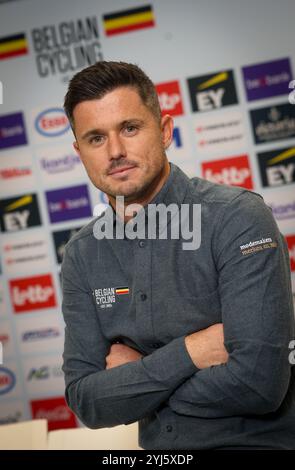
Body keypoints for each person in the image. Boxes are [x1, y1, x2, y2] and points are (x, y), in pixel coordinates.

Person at [61, 61, 295, 450]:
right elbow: (88, 402)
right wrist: (191, 352)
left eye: (130, 129)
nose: (115, 151)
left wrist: (140, 380)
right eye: (96, 138)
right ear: (79, 151)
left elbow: (260, 383)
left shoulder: (236, 217)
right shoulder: (82, 255)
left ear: (165, 131)